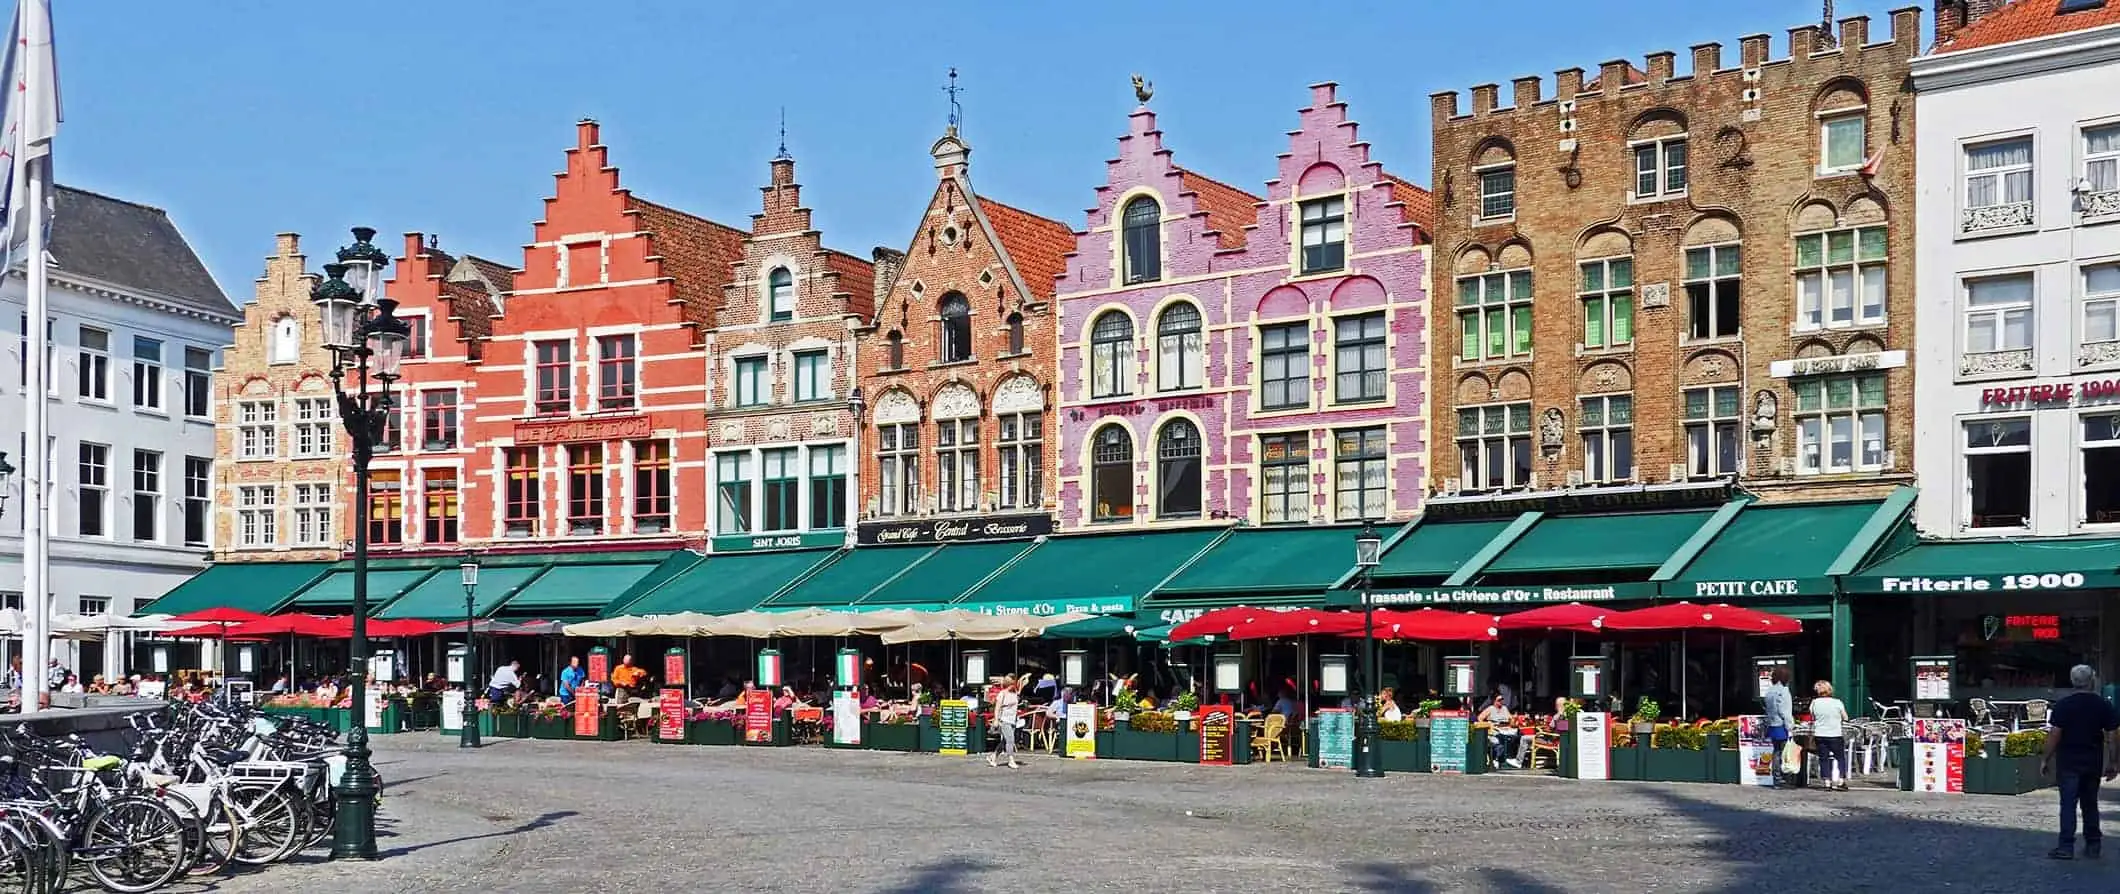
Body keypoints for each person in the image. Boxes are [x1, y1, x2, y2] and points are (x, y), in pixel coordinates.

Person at [2043, 664, 2120, 860]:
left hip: (2068, 761)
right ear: (2091, 681)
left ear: (2073, 681)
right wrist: (2113, 762)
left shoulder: (2063, 705)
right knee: (2090, 803)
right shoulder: (2103, 705)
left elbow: (2055, 734)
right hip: (2092, 761)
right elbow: (2112, 735)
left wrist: (2046, 758)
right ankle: (2093, 844)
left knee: (2068, 804)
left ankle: (2066, 846)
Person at [1808, 680, 1850, 792]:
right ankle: (1841, 780)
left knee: (1823, 759)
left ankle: (1827, 782)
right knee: (1840, 757)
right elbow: (1845, 717)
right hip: (1835, 734)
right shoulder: (1837, 702)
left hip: (1820, 734)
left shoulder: (1815, 703)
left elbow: (1812, 716)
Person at [1760, 668, 1796, 789]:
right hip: (1781, 725)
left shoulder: (1770, 691)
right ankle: (1785, 778)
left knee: (1776, 751)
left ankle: (1776, 779)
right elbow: (1784, 710)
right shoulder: (1784, 691)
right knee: (1785, 752)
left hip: (1772, 724)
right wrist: (1790, 725)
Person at [987, 674, 1023, 769]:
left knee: (1005, 741)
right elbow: (997, 708)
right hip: (1004, 720)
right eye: (1012, 684)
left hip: (1013, 720)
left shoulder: (1015, 693)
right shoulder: (1002, 694)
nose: (1013, 686)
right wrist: (996, 720)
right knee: (1010, 740)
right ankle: (1011, 760)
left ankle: (993, 756)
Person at [1478, 694, 1519, 768]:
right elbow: (1480, 718)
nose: (1501, 701)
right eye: (1499, 700)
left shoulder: (1504, 708)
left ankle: (1510, 758)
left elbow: (1511, 720)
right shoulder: (1490, 709)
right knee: (1498, 740)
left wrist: (1514, 718)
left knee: (1516, 737)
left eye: (1502, 699)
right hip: (1495, 730)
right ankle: (1498, 759)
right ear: (1494, 701)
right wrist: (1488, 724)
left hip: (1506, 728)